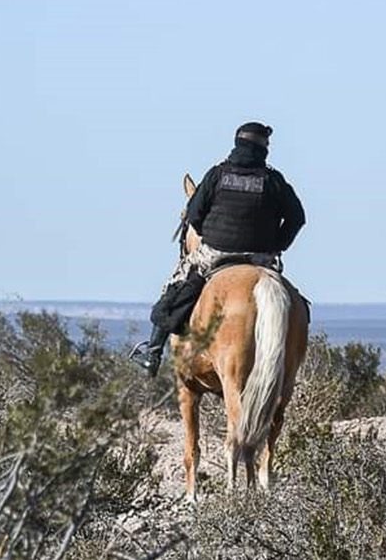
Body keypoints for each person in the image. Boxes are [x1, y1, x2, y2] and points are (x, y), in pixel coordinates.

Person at [129, 122, 306, 376]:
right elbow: (297, 218)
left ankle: (153, 353)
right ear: (263, 148)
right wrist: (277, 245)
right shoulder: (273, 180)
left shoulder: (216, 174)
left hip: (215, 253)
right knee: (296, 303)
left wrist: (208, 234)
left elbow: (193, 214)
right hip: (260, 258)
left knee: (174, 289)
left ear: (237, 144)